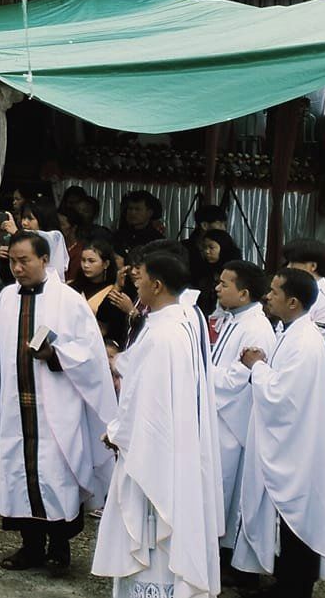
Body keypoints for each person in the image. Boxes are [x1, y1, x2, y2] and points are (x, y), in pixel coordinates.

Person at [0, 230, 118, 576]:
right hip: (17, 405)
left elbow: (90, 354)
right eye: (12, 261)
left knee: (57, 473)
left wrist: (56, 354)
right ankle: (30, 546)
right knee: (19, 473)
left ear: (44, 259)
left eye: (24, 260)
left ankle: (59, 548)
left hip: (56, 405)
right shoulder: (7, 298)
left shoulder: (69, 301)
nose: (17, 268)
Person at [92, 251, 222, 598]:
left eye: (139, 278)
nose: (135, 283)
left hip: (156, 451)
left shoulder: (166, 334)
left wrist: (117, 432)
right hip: (169, 444)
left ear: (157, 284)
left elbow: (148, 401)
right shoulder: (178, 322)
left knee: (154, 527)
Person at [231, 269, 325, 598]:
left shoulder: (305, 341)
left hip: (299, 449)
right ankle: (286, 584)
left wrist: (257, 366)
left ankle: (295, 588)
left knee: (298, 518)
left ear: (293, 301)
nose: (267, 296)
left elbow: (281, 396)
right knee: (289, 518)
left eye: (273, 292)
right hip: (293, 444)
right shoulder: (291, 332)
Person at [210, 259, 277, 585]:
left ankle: (233, 563)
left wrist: (200, 375)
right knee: (218, 490)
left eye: (225, 284)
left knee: (231, 492)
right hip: (218, 416)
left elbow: (241, 375)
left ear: (244, 292)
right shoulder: (231, 318)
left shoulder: (257, 327)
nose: (217, 288)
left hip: (235, 420)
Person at [282, 238, 325, 335]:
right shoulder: (293, 291)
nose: (288, 267)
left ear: (312, 266)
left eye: (293, 263)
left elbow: (316, 341)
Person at [112, 190, 166, 255]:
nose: (132, 213)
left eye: (137, 209)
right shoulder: (118, 236)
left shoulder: (157, 240)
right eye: (130, 208)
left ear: (149, 213)